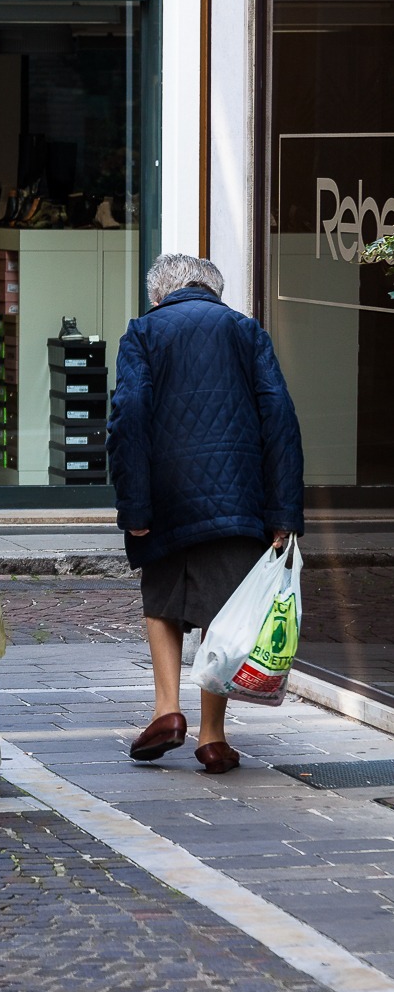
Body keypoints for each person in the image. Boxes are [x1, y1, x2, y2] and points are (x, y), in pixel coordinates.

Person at [106, 253, 304, 774]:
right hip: (240, 496)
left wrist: (134, 506)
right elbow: (280, 418)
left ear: (158, 295)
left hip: (166, 496)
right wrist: (282, 512)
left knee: (162, 599)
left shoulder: (144, 332)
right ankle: (212, 737)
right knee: (225, 613)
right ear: (215, 291)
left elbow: (128, 418)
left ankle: (167, 712)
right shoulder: (246, 331)